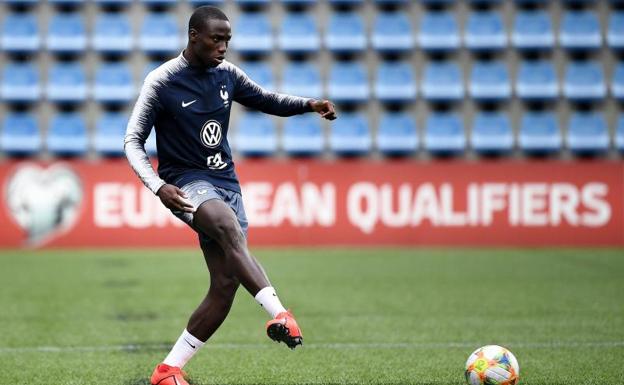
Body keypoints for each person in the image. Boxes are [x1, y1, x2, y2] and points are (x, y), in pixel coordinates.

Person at [124, 5, 337, 385]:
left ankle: (167, 371)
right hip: (186, 183)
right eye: (216, 38)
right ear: (194, 36)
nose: (223, 46)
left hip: (227, 182)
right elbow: (132, 141)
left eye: (227, 40)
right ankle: (280, 312)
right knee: (225, 227)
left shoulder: (227, 75)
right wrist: (158, 187)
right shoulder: (161, 81)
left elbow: (266, 99)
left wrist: (309, 105)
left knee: (224, 286)